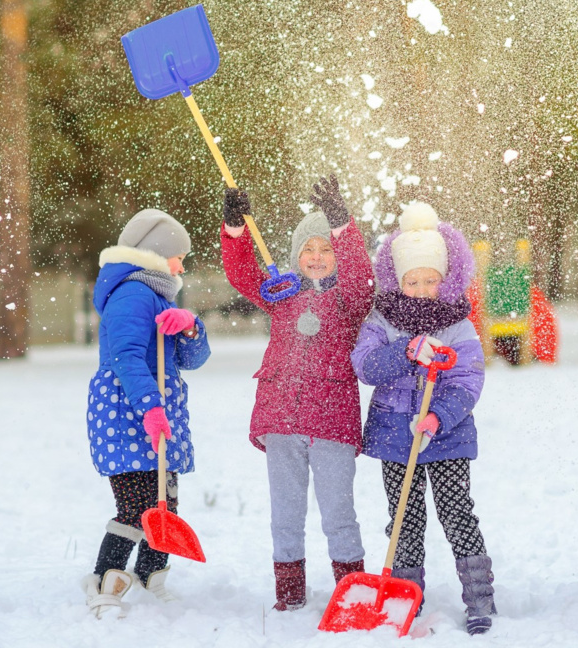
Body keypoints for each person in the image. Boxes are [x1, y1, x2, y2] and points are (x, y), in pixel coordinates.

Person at [220, 177, 374, 611]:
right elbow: (242, 274)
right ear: (295, 257)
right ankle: (289, 595)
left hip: (332, 423)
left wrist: (343, 226)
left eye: (326, 249)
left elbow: (362, 278)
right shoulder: (281, 295)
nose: (317, 256)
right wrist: (235, 230)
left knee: (338, 514)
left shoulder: (349, 300)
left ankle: (355, 593)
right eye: (309, 249)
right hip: (281, 419)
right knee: (285, 514)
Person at [350, 202, 497, 635]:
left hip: (446, 437)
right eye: (411, 280)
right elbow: (366, 367)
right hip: (395, 437)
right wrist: (405, 350)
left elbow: (469, 379)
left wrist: (438, 416)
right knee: (403, 517)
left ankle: (479, 599)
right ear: (398, 279)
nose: (420, 288)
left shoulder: (458, 325)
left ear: (445, 278)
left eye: (429, 279)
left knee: (456, 513)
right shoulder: (381, 319)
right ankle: (405, 596)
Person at [84, 208, 211, 618]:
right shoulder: (132, 293)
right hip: (127, 413)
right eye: (179, 255)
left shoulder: (159, 294)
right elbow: (126, 358)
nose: (183, 264)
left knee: (163, 501)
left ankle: (150, 575)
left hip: (155, 411)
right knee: (137, 504)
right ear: (158, 253)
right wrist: (150, 407)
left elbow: (193, 359)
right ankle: (104, 578)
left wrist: (191, 326)